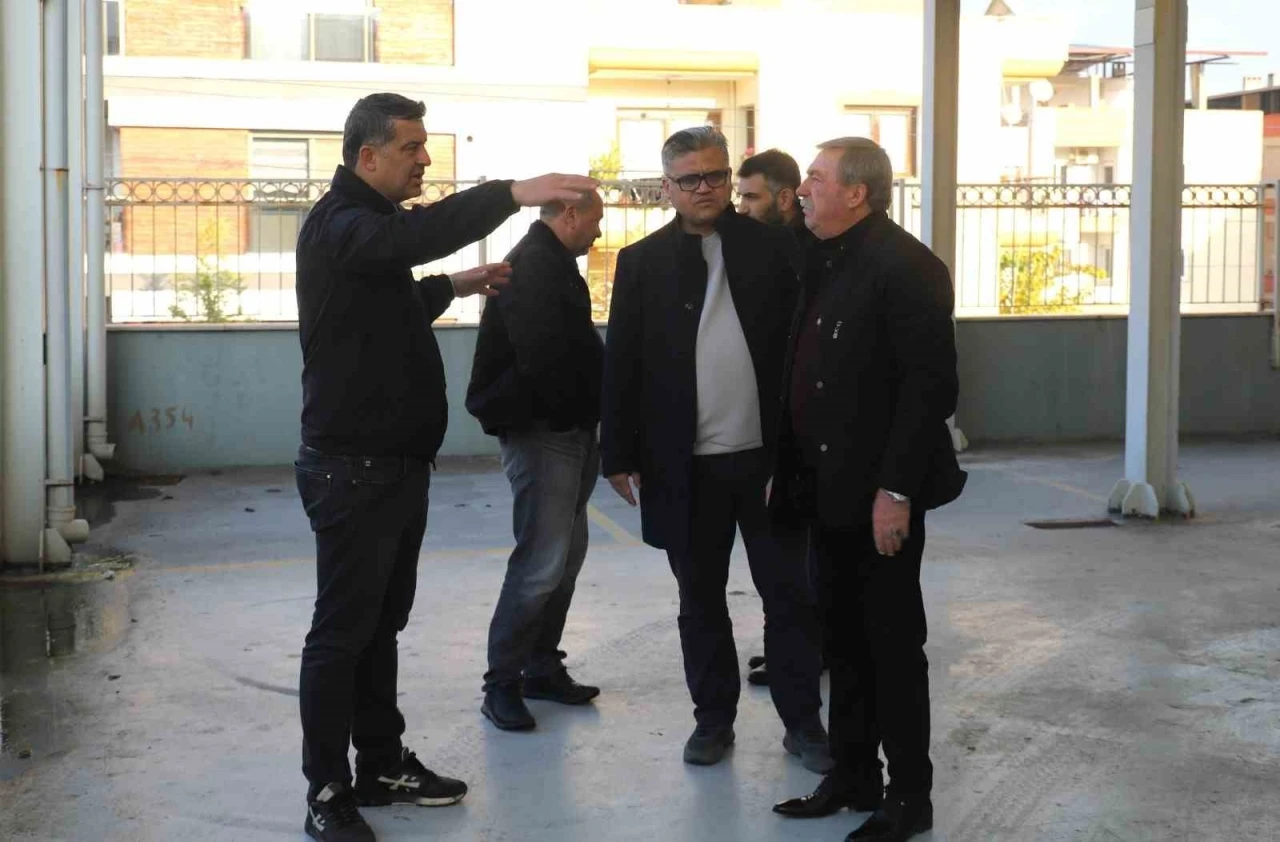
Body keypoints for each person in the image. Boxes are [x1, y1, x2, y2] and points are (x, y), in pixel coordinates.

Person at [293, 91, 596, 842]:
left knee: (381, 626)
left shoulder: (369, 228)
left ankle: (381, 762)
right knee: (342, 633)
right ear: (368, 156)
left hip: (395, 465)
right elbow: (410, 242)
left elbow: (384, 303)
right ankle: (327, 787)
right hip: (352, 470)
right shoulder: (341, 223)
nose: (425, 158)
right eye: (412, 147)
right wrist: (512, 193)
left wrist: (453, 288)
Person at [600, 126, 829, 772]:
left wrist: (802, 451)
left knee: (789, 598)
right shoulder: (641, 264)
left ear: (729, 177)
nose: (705, 188)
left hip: (768, 463)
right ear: (667, 187)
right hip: (684, 467)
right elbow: (622, 363)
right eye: (690, 179)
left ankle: (804, 725)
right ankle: (712, 721)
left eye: (716, 176)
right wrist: (617, 454)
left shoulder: (777, 250)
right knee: (699, 602)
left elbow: (807, 353)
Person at [769, 137, 966, 842]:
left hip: (878, 496)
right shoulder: (825, 255)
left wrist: (897, 492)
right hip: (825, 489)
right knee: (843, 641)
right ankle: (853, 775)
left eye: (816, 179)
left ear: (857, 192)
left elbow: (929, 389)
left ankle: (910, 797)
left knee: (891, 646)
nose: (803, 190)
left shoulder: (908, 266)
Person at [465, 191, 606, 731]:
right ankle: (501, 684)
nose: (598, 232)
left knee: (565, 558)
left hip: (568, 428)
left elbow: (575, 349)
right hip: (544, 432)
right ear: (569, 214)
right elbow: (546, 360)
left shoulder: (552, 262)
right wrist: (587, 409)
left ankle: (541, 667)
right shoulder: (533, 266)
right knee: (540, 564)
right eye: (595, 220)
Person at [734, 147, 820, 688]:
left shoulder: (801, 255)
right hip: (770, 426)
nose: (741, 207)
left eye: (751, 197)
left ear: (784, 198)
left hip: (798, 431)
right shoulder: (773, 249)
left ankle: (804, 652)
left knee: (793, 557)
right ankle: (788, 647)